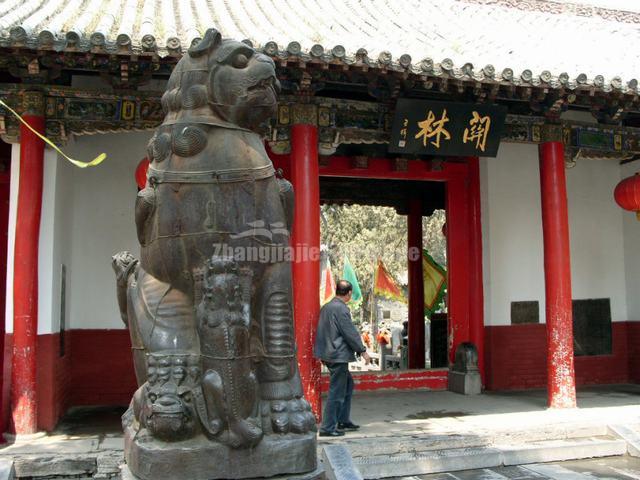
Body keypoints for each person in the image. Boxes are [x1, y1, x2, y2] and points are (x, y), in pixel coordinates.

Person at [314, 280, 371, 437]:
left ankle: (342, 420)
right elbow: (349, 332)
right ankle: (327, 427)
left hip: (329, 353)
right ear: (349, 293)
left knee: (347, 385)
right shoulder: (341, 309)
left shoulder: (327, 307)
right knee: (337, 392)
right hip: (337, 355)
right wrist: (362, 351)